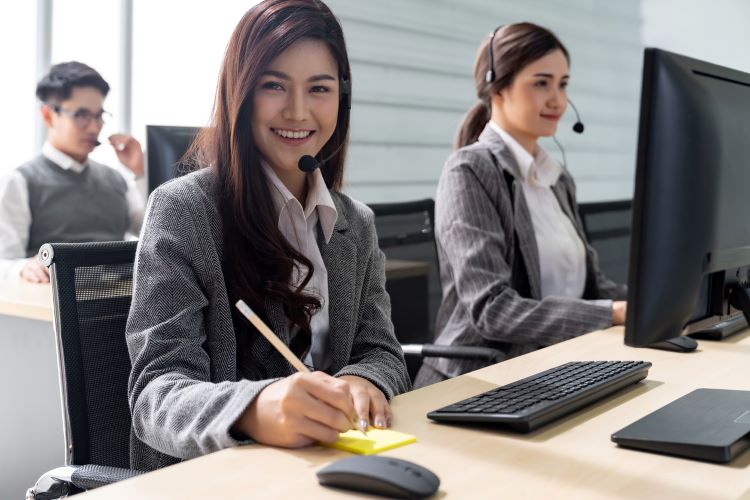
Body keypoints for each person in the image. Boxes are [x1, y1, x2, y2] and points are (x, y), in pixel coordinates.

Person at [126, 0, 410, 471]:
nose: (298, 112)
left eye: (319, 88)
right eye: (274, 85)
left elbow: (380, 350)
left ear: (341, 98)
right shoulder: (184, 211)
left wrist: (364, 383)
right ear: (240, 93)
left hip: (328, 467)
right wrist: (257, 408)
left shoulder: (354, 223)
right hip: (219, 478)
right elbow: (156, 393)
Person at [414, 23, 627, 388]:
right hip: (478, 384)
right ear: (496, 86)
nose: (558, 100)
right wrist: (611, 314)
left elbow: (594, 287)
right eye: (541, 83)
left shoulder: (557, 180)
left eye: (563, 84)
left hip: (557, 370)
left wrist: (654, 305)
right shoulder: (470, 171)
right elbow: (493, 310)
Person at [0, 61, 145, 283]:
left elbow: (157, 232)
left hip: (122, 305)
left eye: (99, 115)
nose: (95, 127)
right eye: (81, 115)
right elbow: (4, 262)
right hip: (57, 311)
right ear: (48, 116)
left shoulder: (117, 179)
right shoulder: (21, 181)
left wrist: (139, 173)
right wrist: (24, 268)